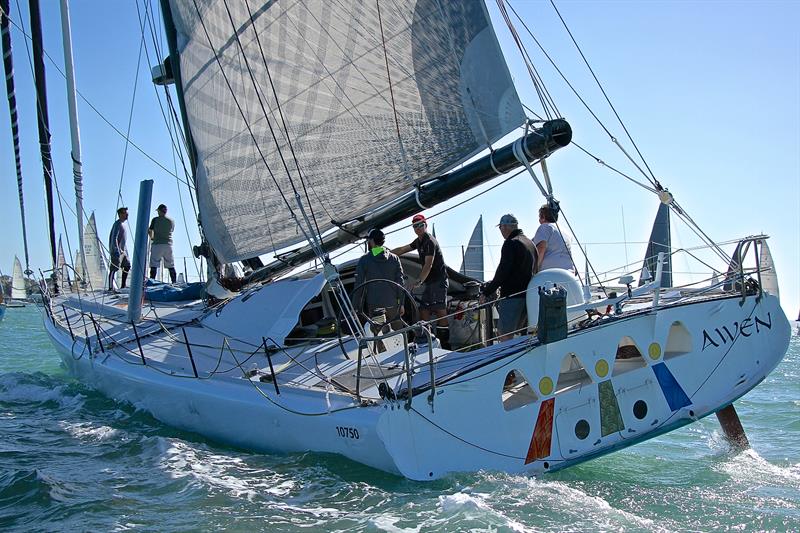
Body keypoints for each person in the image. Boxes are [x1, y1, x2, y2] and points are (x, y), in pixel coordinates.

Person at [391, 214, 450, 349]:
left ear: (425, 225)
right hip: (429, 283)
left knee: (440, 311)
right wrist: (383, 253)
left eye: (420, 225)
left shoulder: (429, 241)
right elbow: (403, 249)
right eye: (415, 226)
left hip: (438, 281)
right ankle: (427, 343)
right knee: (423, 311)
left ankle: (446, 345)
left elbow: (428, 265)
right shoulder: (419, 241)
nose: (418, 228)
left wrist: (418, 281)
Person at [480, 214, 538, 342]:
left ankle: (508, 360)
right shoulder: (530, 243)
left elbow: (503, 271)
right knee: (524, 334)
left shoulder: (510, 243)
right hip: (528, 295)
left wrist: (487, 291)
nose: (500, 231)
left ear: (505, 227)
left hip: (512, 296)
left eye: (500, 227)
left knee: (505, 334)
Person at [352, 228, 405, 334]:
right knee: (399, 335)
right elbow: (400, 283)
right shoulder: (394, 258)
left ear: (371, 241)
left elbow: (359, 285)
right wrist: (402, 304)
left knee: (380, 338)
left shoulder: (364, 260)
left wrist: (354, 307)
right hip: (393, 305)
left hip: (375, 307)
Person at [534, 204, 574, 272]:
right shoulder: (566, 232)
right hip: (568, 273)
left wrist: (533, 271)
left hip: (550, 274)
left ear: (543, 217)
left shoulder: (545, 227)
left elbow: (541, 249)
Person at [148, 204, 177, 283]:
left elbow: (150, 230)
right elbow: (172, 230)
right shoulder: (171, 221)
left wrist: (152, 238)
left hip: (157, 244)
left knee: (154, 264)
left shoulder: (155, 220)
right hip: (168, 244)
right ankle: (174, 282)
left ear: (160, 211)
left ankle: (152, 282)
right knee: (171, 265)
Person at [108, 207, 131, 291]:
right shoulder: (117, 224)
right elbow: (114, 237)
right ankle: (110, 287)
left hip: (124, 251)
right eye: (125, 213)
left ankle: (123, 286)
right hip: (116, 251)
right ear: (121, 214)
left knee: (127, 265)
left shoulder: (124, 224)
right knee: (114, 268)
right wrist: (116, 249)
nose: (127, 215)